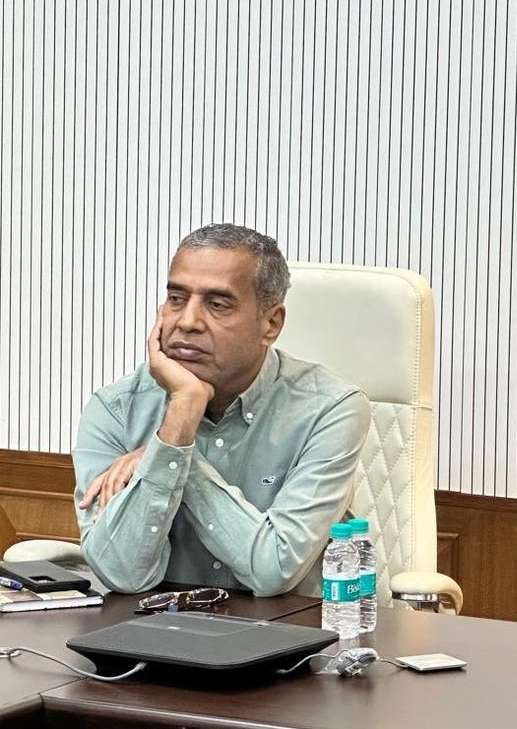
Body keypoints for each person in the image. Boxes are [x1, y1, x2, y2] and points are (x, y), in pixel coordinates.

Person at [72, 224, 372, 596]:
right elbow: (121, 575)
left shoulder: (331, 410)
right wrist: (182, 414)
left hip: (285, 639)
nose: (187, 322)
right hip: (154, 634)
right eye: (177, 299)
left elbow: (272, 571)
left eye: (217, 304)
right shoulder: (116, 409)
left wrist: (167, 454)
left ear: (271, 323)